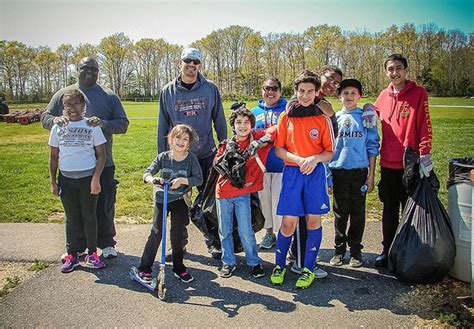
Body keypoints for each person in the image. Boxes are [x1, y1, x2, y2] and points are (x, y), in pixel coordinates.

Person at [41, 57, 129, 259]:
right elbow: (45, 117)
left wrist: (104, 124)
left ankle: (107, 244)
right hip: (72, 167)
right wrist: (55, 119)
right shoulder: (64, 95)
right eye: (85, 68)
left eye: (94, 69)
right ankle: (78, 246)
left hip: (102, 163)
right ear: (77, 70)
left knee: (104, 206)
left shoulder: (108, 96)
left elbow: (123, 124)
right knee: (77, 211)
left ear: (99, 72)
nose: (90, 71)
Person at [158, 47, 227, 260]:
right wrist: (163, 157)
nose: (191, 65)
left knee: (210, 203)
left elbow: (220, 119)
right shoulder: (168, 91)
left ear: (200, 65)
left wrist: (223, 148)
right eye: (188, 60)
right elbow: (163, 125)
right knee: (178, 203)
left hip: (206, 154)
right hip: (179, 158)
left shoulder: (210, 88)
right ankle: (178, 245)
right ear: (180, 62)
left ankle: (213, 242)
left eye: (195, 62)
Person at [270, 70, 334, 289]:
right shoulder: (285, 116)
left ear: (317, 92)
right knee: (289, 222)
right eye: (301, 91)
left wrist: (313, 159)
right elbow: (279, 150)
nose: (305, 95)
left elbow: (329, 152)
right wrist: (299, 159)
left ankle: (308, 269)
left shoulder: (322, 118)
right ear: (295, 92)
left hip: (314, 174)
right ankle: (279, 265)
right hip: (292, 174)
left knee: (313, 221)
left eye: (310, 91)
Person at [373, 54, 433, 267]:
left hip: (410, 163)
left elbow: (425, 124)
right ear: (386, 71)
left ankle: (408, 251)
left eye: (398, 68)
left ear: (406, 70)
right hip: (388, 163)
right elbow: (372, 112)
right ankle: (387, 250)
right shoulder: (383, 95)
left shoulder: (418, 93)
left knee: (409, 209)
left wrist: (425, 152)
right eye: (390, 69)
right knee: (389, 210)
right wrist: (366, 111)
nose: (394, 73)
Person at [287, 65, 343, 278]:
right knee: (302, 215)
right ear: (320, 77)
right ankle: (301, 263)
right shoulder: (299, 98)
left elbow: (332, 122)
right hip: (300, 165)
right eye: (330, 78)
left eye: (337, 83)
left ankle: (301, 257)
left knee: (313, 215)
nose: (333, 84)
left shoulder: (323, 103)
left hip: (320, 162)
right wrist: (321, 106)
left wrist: (326, 109)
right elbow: (293, 110)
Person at [132, 124, 203, 284]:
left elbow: (199, 179)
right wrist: (153, 179)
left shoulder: (191, 159)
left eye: (185, 139)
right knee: (157, 232)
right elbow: (146, 174)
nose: (181, 141)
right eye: (178, 138)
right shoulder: (163, 157)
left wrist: (183, 180)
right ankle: (144, 268)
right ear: (171, 139)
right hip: (161, 199)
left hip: (180, 200)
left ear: (189, 143)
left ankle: (179, 268)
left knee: (177, 234)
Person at [48, 88, 107, 273]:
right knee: (71, 218)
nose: (72, 108)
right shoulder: (58, 127)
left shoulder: (92, 125)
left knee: (89, 217)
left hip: (88, 179)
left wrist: (96, 179)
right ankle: (72, 255)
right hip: (66, 180)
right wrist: (53, 181)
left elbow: (102, 155)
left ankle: (92, 253)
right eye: (67, 104)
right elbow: (53, 157)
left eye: (76, 103)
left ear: (83, 105)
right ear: (63, 107)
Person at [215, 107, 273, 279]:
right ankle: (228, 261)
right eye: (238, 122)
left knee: (246, 230)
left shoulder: (255, 143)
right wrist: (227, 153)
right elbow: (216, 163)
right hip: (223, 192)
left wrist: (260, 141)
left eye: (246, 122)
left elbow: (274, 133)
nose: (242, 126)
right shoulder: (226, 143)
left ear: (252, 125)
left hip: (242, 193)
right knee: (224, 230)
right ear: (232, 125)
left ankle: (254, 262)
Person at [328, 79, 380, 268]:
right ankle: (339, 250)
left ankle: (356, 250)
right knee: (340, 214)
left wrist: (371, 175)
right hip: (339, 171)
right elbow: (328, 149)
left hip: (359, 172)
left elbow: (372, 146)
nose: (349, 97)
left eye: (353, 93)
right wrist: (328, 176)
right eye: (345, 93)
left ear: (359, 96)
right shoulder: (334, 119)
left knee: (358, 213)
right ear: (339, 96)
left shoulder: (366, 116)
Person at [250, 77, 287, 250]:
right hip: (261, 166)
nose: (270, 92)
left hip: (283, 164)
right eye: (267, 88)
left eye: (274, 88)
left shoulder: (288, 109)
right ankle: (269, 233)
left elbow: (283, 132)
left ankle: (284, 236)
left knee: (279, 202)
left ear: (280, 91)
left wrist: (266, 136)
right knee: (265, 203)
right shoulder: (254, 111)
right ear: (262, 90)